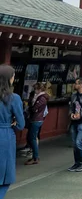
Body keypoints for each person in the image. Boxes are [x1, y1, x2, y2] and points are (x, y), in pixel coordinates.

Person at [0, 65, 25, 199]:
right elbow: (21, 125)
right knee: (5, 176)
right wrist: (13, 123)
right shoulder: (13, 98)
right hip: (5, 136)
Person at [24, 82, 48, 166]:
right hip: (35, 119)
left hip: (37, 119)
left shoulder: (42, 98)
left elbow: (34, 108)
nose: (35, 90)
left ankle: (35, 157)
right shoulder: (37, 97)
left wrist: (31, 108)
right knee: (30, 137)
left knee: (33, 138)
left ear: (40, 89)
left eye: (36, 89)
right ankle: (34, 156)